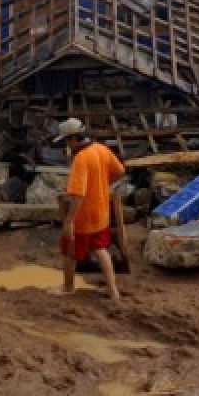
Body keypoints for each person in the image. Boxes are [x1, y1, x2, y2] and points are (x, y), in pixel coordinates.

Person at [53, 118, 125, 301]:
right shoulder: (101, 149)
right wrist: (101, 185)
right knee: (101, 249)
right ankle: (113, 290)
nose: (67, 146)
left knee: (69, 250)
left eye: (66, 141)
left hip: (84, 216)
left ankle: (68, 287)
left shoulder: (81, 159)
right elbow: (120, 171)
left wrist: (69, 221)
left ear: (73, 139)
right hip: (101, 213)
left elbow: (77, 196)